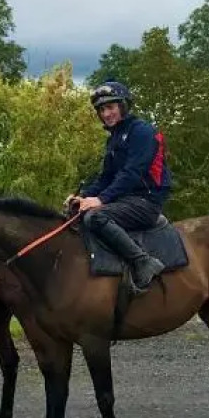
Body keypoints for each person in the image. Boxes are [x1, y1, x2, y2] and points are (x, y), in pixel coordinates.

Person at [65, 80, 173, 294]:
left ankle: (143, 262)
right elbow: (106, 178)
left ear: (123, 106)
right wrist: (84, 196)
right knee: (77, 214)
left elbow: (131, 173)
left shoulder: (142, 132)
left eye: (110, 107)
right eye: (102, 109)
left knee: (95, 217)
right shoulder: (114, 139)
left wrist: (100, 200)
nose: (106, 114)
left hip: (145, 202)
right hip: (124, 200)